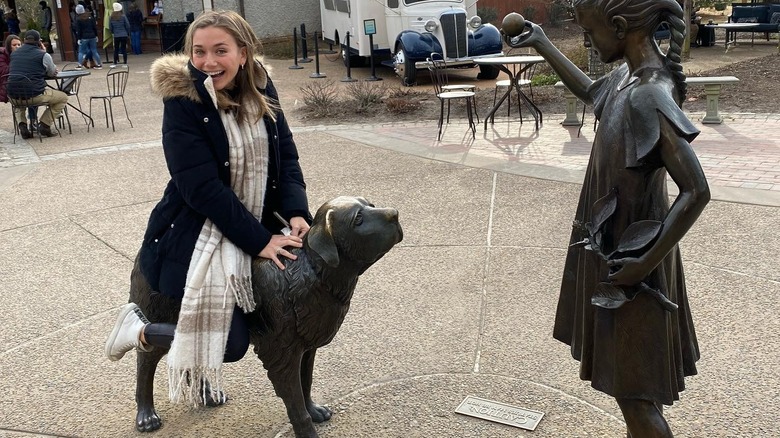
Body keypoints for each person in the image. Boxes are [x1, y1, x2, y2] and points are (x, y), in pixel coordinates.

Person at [506, 1, 710, 437]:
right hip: (623, 250)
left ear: (619, 27)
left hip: (634, 262)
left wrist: (645, 263)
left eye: (590, 34)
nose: (589, 44)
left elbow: (696, 189)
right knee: (633, 385)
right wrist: (543, 44)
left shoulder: (647, 94)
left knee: (635, 397)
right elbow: (591, 91)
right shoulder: (625, 78)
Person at [105, 10, 311, 404]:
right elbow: (200, 188)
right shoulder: (183, 100)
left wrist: (297, 212)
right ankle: (137, 330)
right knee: (231, 346)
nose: (209, 62)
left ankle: (295, 398)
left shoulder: (263, 89)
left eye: (220, 50)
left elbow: (285, 155)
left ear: (244, 53)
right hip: (197, 228)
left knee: (298, 300)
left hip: (259, 219)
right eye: (199, 52)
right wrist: (260, 241)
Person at [7, 30, 68, 138]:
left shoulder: (14, 54)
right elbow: (51, 72)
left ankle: (22, 125)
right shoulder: (43, 55)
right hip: (33, 94)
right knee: (62, 97)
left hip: (12, 95)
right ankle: (45, 124)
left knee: (19, 98)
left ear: (24, 41)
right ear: (39, 42)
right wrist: (44, 51)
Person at [74, 3, 102, 69]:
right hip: (92, 36)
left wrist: (78, 38)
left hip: (84, 37)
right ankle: (99, 64)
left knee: (81, 51)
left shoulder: (78, 19)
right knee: (94, 50)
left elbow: (79, 30)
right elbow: (94, 27)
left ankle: (80, 65)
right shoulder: (90, 17)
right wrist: (96, 35)